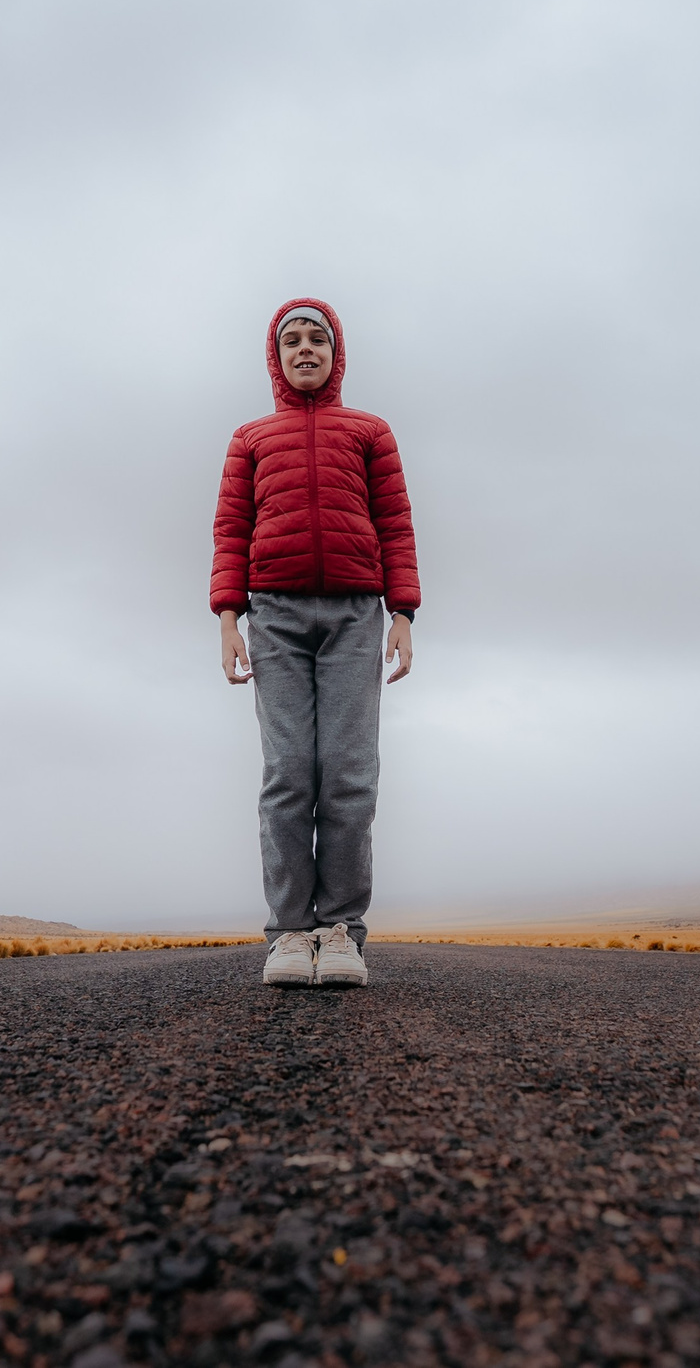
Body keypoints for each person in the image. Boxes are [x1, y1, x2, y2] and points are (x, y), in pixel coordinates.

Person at [211, 299, 420, 989]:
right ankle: (290, 934)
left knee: (349, 773)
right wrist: (228, 619)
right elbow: (230, 531)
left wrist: (403, 613)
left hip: (357, 615)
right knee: (290, 773)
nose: (306, 349)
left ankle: (340, 932)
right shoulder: (249, 439)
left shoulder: (370, 432)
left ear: (337, 354)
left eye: (317, 339)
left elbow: (394, 522)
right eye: (292, 340)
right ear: (276, 357)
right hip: (273, 616)